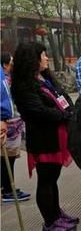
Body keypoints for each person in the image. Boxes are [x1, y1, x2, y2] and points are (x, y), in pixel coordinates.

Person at [11, 42, 78, 231]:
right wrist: (66, 116)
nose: (46, 58)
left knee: (52, 178)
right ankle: (50, 221)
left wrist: (70, 111)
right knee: (46, 180)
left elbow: (62, 96)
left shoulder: (45, 77)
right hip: (43, 139)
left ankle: (56, 213)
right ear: (33, 59)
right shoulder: (24, 85)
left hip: (57, 136)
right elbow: (38, 111)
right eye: (43, 55)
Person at [1, 52, 31, 203]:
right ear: (5, 65)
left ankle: (8, 187)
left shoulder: (8, 79)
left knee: (10, 158)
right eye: (11, 63)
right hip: (9, 124)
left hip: (14, 123)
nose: (13, 66)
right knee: (7, 158)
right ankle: (7, 190)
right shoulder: (3, 80)